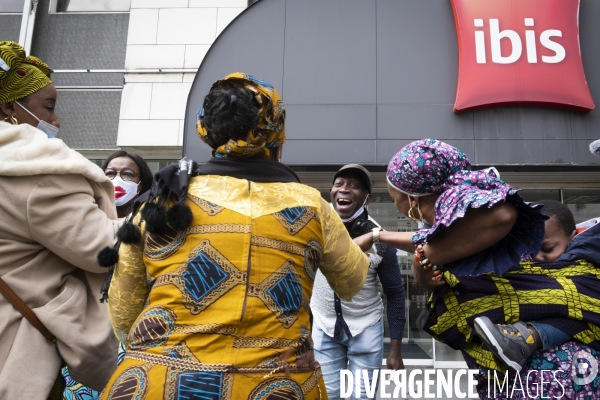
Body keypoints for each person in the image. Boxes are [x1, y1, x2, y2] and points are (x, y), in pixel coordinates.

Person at [99, 72, 369, 399]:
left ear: (207, 129)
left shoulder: (165, 199)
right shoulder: (312, 205)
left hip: (156, 382)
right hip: (276, 386)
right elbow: (352, 280)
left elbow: (123, 313)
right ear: (275, 133)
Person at [0, 41, 120, 399]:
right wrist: (160, 220)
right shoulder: (34, 173)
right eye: (48, 107)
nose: (56, 121)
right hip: (18, 355)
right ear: (9, 107)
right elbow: (101, 248)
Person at [311, 164, 406, 400]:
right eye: (339, 184)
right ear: (331, 191)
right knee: (326, 396)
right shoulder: (312, 228)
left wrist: (395, 349)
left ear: (367, 198)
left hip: (365, 328)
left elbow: (394, 293)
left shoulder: (380, 239)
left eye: (355, 186)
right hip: (323, 327)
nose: (345, 189)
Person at [474, 200, 600, 371]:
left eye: (548, 249)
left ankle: (528, 338)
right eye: (532, 250)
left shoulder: (584, 255)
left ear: (572, 236)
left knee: (574, 316)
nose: (538, 257)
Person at [101, 151, 153, 218]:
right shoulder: (87, 219)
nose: (117, 180)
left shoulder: (153, 224)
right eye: (110, 173)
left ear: (142, 183)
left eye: (127, 174)